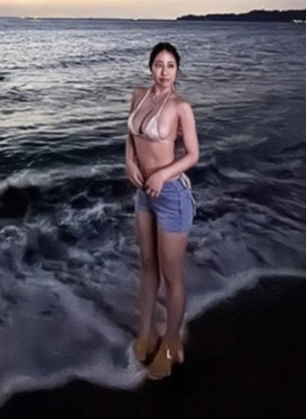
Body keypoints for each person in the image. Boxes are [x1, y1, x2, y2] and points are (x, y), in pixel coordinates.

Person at [126, 42, 199, 379]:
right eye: (159, 64)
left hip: (171, 195)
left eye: (170, 65)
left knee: (172, 277)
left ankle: (171, 343)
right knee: (147, 265)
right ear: (151, 67)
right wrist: (129, 162)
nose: (164, 71)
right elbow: (131, 136)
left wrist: (161, 174)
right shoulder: (139, 95)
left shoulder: (180, 106)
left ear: (177, 70)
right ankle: (145, 333)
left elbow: (193, 155)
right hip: (144, 194)